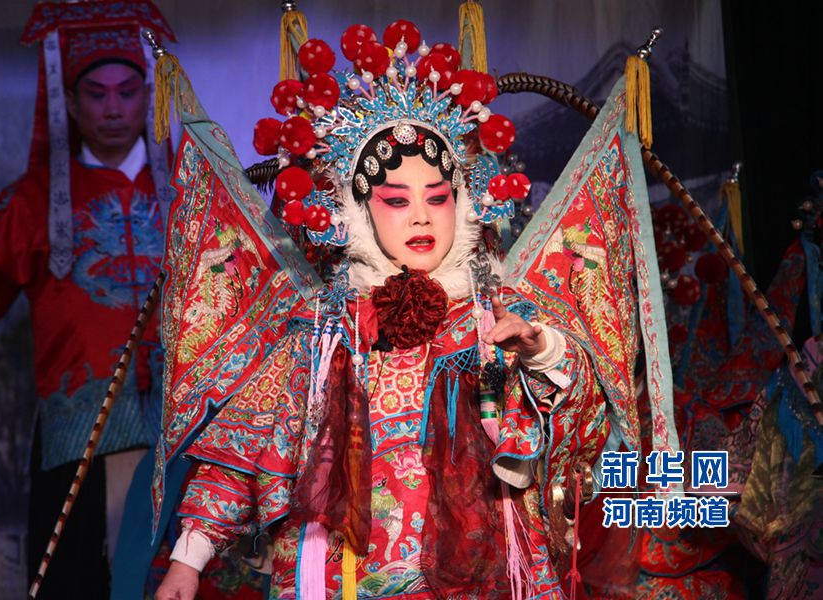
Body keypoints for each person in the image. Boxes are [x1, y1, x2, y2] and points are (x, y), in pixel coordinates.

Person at [152, 19, 657, 600]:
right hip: (345, 576)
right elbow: (245, 448)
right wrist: (187, 560)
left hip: (483, 573)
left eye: (437, 198)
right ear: (356, 211)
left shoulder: (496, 316)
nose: (421, 216)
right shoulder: (320, 332)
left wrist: (542, 350)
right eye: (396, 200)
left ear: (461, 203)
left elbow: (580, 419)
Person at [0, 1, 176, 597]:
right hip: (76, 447)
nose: (112, 109)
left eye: (127, 92)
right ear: (69, 101)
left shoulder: (190, 189)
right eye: (95, 93)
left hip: (182, 443)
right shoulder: (38, 202)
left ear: (150, 96)